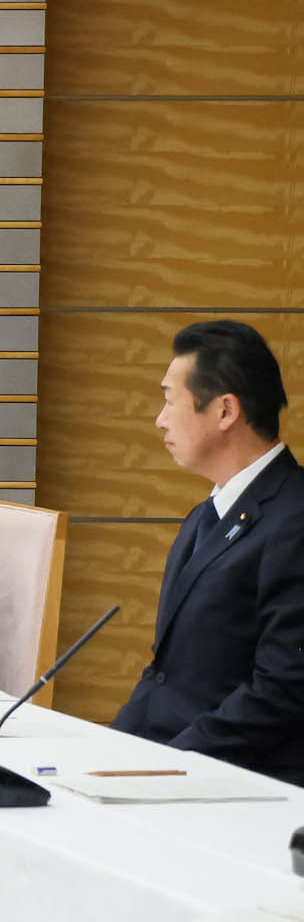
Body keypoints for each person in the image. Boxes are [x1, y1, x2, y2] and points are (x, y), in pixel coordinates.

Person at [112, 320, 303, 785]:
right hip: (181, 768)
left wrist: (172, 764)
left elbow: (282, 688)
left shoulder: (294, 519)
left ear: (224, 411)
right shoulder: (204, 516)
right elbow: (165, 675)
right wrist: (107, 751)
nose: (159, 418)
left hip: (244, 787)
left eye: (169, 399)